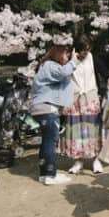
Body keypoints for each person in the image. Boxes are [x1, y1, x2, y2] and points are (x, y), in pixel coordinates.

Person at [30, 44, 77, 186]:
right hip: (47, 109)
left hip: (43, 108)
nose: (67, 57)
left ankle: (45, 174)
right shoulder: (50, 65)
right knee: (51, 142)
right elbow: (63, 73)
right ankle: (50, 175)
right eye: (65, 54)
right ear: (57, 54)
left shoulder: (47, 66)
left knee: (46, 141)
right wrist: (74, 61)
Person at [62, 36, 103, 175]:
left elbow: (104, 72)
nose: (86, 52)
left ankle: (95, 159)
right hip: (74, 97)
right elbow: (64, 76)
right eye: (84, 49)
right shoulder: (69, 59)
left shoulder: (93, 58)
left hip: (90, 96)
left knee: (92, 128)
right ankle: (78, 161)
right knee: (76, 129)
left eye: (88, 49)